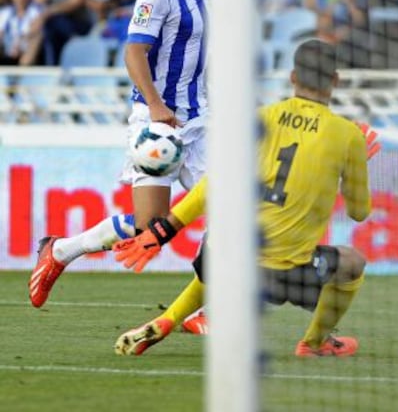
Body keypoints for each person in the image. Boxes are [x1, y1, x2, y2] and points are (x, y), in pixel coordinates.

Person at [111, 39, 380, 358]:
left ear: (293, 77)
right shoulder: (346, 134)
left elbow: (214, 183)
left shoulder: (261, 119)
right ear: (335, 80)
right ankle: (314, 343)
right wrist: (356, 163)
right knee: (352, 262)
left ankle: (168, 319)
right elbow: (359, 212)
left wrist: (163, 231)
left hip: (224, 260)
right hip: (283, 276)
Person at [28, 0, 208, 309]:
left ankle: (204, 309)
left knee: (230, 209)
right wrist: (158, 106)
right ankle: (60, 251)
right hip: (157, 121)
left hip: (200, 119)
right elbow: (133, 53)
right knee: (151, 227)